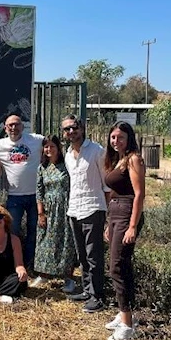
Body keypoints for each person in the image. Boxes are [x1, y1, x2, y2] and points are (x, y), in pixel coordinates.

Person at [0, 113, 45, 268]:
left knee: (35, 232)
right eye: (10, 125)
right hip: (14, 196)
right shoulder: (0, 145)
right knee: (12, 232)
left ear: (22, 126)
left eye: (17, 124)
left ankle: (30, 264)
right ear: (5, 128)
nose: (14, 128)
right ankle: (13, 264)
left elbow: (52, 145)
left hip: (36, 196)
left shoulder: (36, 140)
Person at [61, 114, 111, 314]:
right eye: (67, 129)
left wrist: (106, 215)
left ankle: (98, 296)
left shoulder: (97, 151)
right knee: (82, 256)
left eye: (74, 127)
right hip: (74, 209)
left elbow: (106, 184)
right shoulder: (67, 155)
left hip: (93, 208)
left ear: (81, 128)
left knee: (94, 255)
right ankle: (87, 290)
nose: (71, 132)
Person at [103, 121, 145, 340]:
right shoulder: (118, 160)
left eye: (120, 137)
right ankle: (123, 313)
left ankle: (127, 326)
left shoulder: (134, 159)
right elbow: (113, 192)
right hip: (116, 214)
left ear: (129, 138)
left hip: (127, 213)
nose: (116, 141)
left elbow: (139, 194)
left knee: (117, 267)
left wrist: (132, 226)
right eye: (113, 137)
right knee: (120, 266)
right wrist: (109, 223)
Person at [31, 135, 77, 293]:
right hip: (49, 210)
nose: (49, 149)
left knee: (65, 242)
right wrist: (40, 213)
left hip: (65, 209)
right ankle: (43, 275)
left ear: (58, 148)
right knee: (44, 242)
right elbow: (39, 191)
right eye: (46, 147)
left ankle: (68, 278)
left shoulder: (67, 166)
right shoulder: (41, 168)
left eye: (52, 146)